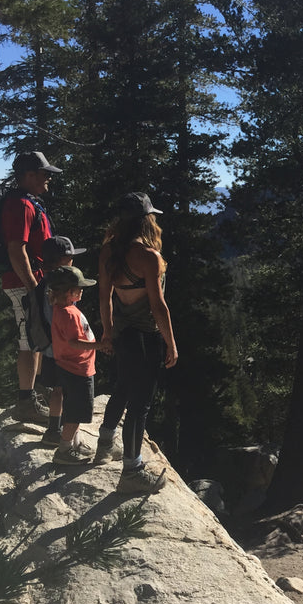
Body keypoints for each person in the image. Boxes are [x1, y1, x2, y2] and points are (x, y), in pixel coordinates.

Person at [98, 192, 178, 495]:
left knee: (123, 386)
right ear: (147, 219)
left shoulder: (109, 251)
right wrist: (171, 343)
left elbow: (104, 296)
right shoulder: (148, 256)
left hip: (123, 333)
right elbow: (159, 307)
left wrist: (108, 332)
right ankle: (132, 469)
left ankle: (105, 442)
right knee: (140, 403)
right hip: (146, 336)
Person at [2, 151, 60, 425]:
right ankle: (26, 402)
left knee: (34, 339)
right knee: (29, 341)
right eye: (44, 173)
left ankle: (31, 395)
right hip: (23, 284)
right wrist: (33, 288)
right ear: (29, 176)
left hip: (28, 282)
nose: (49, 178)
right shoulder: (22, 206)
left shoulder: (27, 203)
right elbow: (17, 250)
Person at [48, 265, 101, 465]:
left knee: (73, 409)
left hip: (68, 367)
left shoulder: (62, 309)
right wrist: (101, 345)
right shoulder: (69, 314)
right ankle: (64, 450)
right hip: (78, 369)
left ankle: (76, 443)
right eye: (79, 288)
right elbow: (74, 342)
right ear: (70, 292)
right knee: (76, 413)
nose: (82, 291)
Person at [38, 236, 88, 447]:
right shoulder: (57, 285)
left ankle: (53, 428)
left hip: (48, 347)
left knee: (56, 390)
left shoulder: (43, 282)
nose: (73, 261)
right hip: (62, 349)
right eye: (70, 258)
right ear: (59, 260)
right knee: (69, 391)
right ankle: (66, 438)